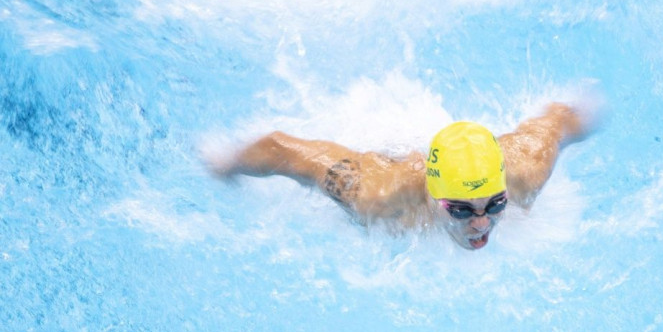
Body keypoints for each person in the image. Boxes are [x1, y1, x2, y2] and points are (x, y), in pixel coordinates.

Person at [207, 102, 594, 250]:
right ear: (432, 194)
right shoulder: (377, 194)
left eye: (495, 204)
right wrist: (225, 164)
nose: (481, 223)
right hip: (388, 164)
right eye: (460, 211)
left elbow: (560, 119)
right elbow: (282, 150)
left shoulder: (526, 170)